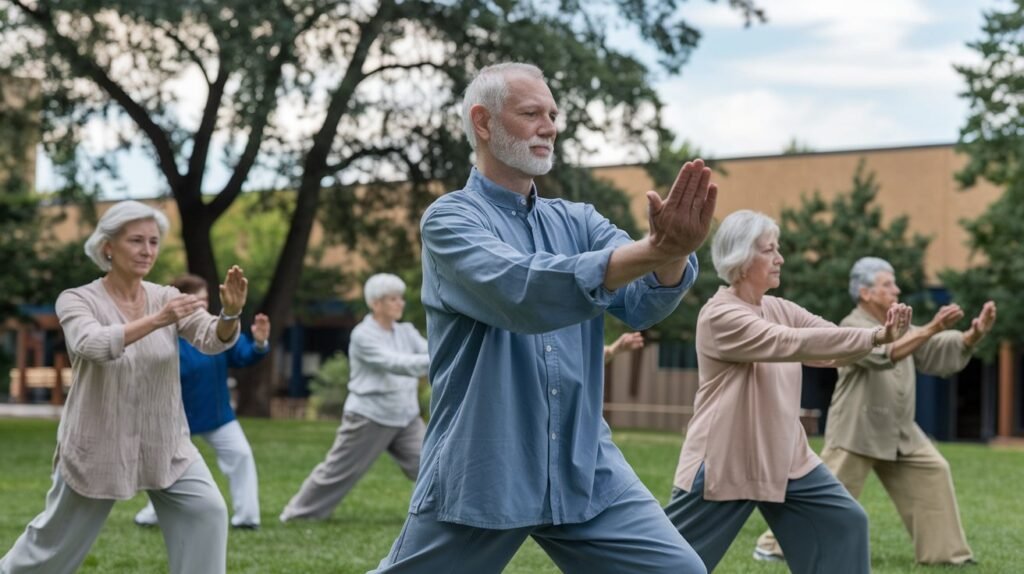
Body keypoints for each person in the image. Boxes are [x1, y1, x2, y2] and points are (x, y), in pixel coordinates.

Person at [372, 62, 716, 574]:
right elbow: (524, 290)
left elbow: (642, 301)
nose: (549, 126)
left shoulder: (578, 220)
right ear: (483, 123)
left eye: (553, 114)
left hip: (584, 463)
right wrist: (654, 250)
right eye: (532, 112)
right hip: (485, 463)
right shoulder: (449, 220)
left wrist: (669, 256)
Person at [0, 201, 248, 574]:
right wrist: (157, 321)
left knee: (207, 512)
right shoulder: (77, 299)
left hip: (165, 441)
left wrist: (229, 314)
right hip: (98, 443)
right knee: (51, 549)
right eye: (136, 241)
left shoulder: (166, 296)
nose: (147, 250)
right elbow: (94, 345)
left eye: (153, 241)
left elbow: (213, 338)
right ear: (108, 247)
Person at [665, 210, 912, 574]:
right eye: (770, 250)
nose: (780, 258)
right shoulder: (720, 316)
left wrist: (878, 339)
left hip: (786, 457)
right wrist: (874, 335)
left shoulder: (778, 308)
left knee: (844, 523)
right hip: (725, 459)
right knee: (674, 562)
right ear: (743, 258)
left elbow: (825, 340)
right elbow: (790, 342)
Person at [753, 256, 996, 566]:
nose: (896, 289)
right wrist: (932, 327)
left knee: (934, 472)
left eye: (894, 282)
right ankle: (773, 545)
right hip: (857, 431)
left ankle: (947, 555)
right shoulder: (851, 326)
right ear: (865, 293)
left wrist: (973, 335)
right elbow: (885, 354)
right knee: (823, 495)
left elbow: (931, 349)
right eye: (887, 284)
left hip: (901, 432)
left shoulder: (901, 327)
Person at [279, 273, 429, 522]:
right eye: (393, 299)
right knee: (338, 471)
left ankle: (436, 515)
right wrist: (437, 359)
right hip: (369, 415)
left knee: (429, 465)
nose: (400, 303)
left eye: (400, 298)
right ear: (376, 303)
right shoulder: (362, 335)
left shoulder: (406, 331)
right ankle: (297, 514)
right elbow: (395, 363)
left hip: (406, 415)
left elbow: (429, 350)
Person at [134, 273, 271, 530]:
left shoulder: (218, 328)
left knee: (241, 455)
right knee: (164, 467)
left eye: (206, 299)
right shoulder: (164, 332)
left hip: (217, 415)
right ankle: (152, 514)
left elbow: (243, 354)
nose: (204, 304)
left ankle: (247, 519)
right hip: (175, 417)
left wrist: (260, 343)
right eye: (198, 300)